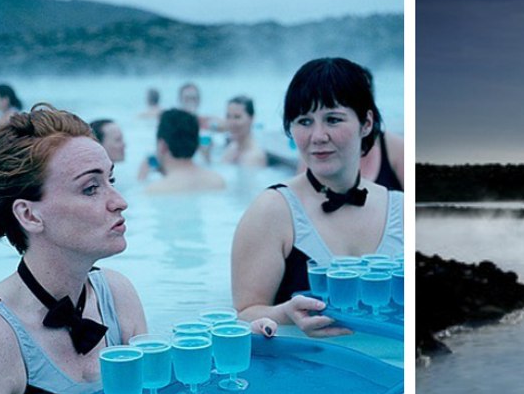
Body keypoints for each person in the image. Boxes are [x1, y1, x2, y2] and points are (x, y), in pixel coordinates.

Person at [0, 104, 276, 394]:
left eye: (111, 181)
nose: (120, 202)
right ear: (29, 214)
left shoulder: (116, 294)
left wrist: (230, 349)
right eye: (91, 188)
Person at [230, 57, 403, 337]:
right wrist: (284, 314)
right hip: (309, 361)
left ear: (366, 123)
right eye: (304, 121)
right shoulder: (272, 210)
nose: (318, 136)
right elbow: (244, 314)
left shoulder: (401, 209)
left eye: (333, 119)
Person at [143, 110, 227, 194]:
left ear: (162, 146)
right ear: (197, 143)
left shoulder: (156, 190)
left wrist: (141, 179)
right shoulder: (217, 182)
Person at [218, 95, 268, 167]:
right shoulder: (231, 148)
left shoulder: (254, 157)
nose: (231, 122)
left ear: (251, 118)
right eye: (228, 116)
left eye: (237, 117)